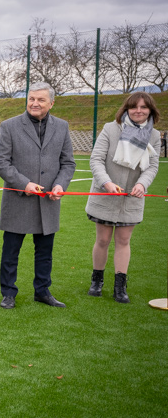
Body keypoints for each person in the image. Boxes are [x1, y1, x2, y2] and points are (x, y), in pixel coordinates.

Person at [0, 82, 75, 309]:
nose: (34, 103)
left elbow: (68, 163)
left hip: (48, 202)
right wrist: (24, 183)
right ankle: (8, 293)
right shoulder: (9, 126)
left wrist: (60, 185)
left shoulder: (62, 126)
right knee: (10, 252)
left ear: (51, 103)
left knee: (45, 253)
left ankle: (42, 291)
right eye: (31, 99)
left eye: (40, 100)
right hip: (18, 200)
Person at [85, 92, 161, 303]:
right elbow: (96, 159)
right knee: (102, 239)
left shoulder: (154, 135)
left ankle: (120, 285)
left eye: (144, 107)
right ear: (126, 109)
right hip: (105, 193)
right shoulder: (111, 129)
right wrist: (106, 182)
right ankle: (97, 280)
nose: (138, 111)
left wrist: (141, 184)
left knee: (124, 240)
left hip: (132, 197)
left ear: (150, 110)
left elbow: (152, 165)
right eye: (134, 107)